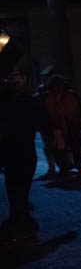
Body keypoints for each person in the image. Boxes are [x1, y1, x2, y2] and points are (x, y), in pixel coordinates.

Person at [0, 73, 43, 229]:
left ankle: (22, 201)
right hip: (10, 145)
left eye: (21, 83)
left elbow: (39, 118)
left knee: (26, 174)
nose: (19, 86)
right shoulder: (4, 102)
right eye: (16, 83)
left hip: (25, 144)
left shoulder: (29, 101)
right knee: (13, 177)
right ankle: (16, 208)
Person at [42, 74, 81, 173]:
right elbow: (46, 112)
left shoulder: (71, 94)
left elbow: (79, 109)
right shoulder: (48, 97)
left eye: (60, 85)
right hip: (56, 125)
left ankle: (78, 162)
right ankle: (63, 166)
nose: (58, 88)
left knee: (76, 145)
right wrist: (51, 126)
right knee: (58, 147)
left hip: (72, 123)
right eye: (56, 86)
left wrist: (79, 121)